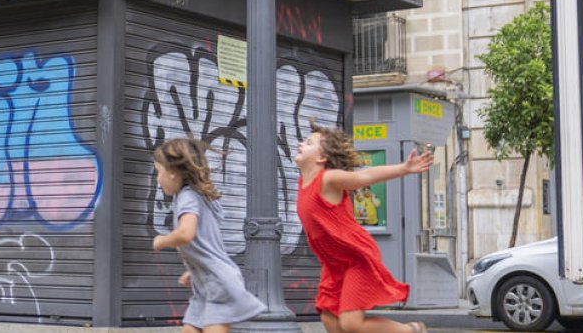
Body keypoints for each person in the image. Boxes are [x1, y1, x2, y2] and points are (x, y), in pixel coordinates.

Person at [295, 120, 432, 333]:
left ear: (322, 158)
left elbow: (364, 176)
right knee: (330, 319)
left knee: (351, 324)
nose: (301, 143)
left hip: (355, 258)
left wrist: (405, 169)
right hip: (333, 263)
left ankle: (412, 330)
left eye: (309, 142)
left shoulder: (328, 179)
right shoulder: (302, 182)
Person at [151, 138, 267, 333]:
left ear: (172, 173)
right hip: (205, 281)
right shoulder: (193, 195)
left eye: (158, 171)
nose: (157, 179)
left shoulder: (188, 197)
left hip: (218, 282)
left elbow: (186, 234)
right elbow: (207, 242)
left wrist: (162, 240)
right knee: (189, 329)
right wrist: (196, 266)